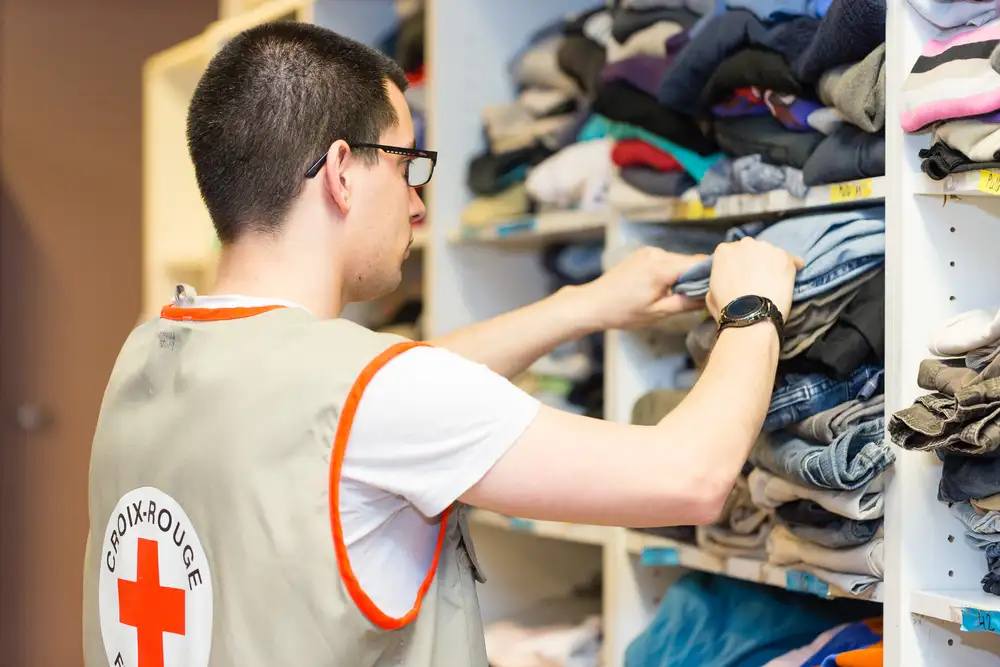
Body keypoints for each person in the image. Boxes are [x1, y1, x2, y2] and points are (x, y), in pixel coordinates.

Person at [82, 20, 800, 667]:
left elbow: (377, 397)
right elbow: (690, 477)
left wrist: (580, 307)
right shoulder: (370, 396)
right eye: (405, 165)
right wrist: (753, 305)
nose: (418, 202)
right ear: (340, 172)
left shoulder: (150, 355)